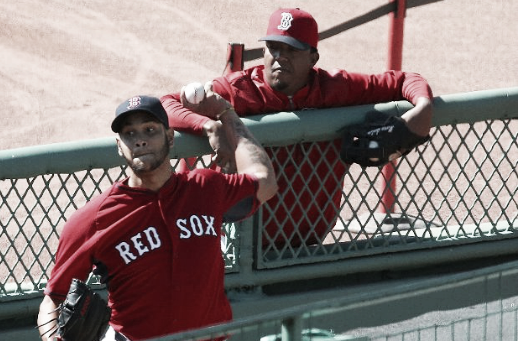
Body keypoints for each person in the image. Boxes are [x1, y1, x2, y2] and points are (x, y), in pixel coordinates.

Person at [37, 92, 277, 341]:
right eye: (129, 133)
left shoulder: (205, 188)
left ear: (170, 137)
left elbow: (265, 182)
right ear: (119, 146)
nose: (140, 140)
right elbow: (53, 299)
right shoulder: (93, 219)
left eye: (150, 130)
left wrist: (226, 113)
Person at [161, 7, 433, 247]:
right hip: (231, 242)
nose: (280, 57)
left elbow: (404, 80)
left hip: (308, 245)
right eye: (274, 48)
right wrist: (209, 126)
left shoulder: (336, 88)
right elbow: (166, 105)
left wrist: (423, 108)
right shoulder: (236, 90)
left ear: (313, 58)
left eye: (292, 49)